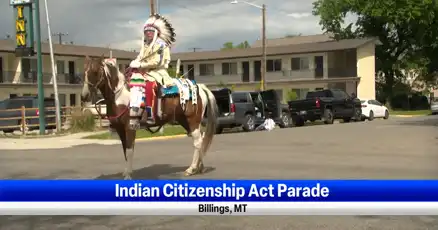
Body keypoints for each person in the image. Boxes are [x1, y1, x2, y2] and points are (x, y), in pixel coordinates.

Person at [129, 14, 176, 87]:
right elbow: (140, 56)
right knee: (129, 79)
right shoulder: (146, 45)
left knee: (149, 85)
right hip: (144, 71)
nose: (148, 33)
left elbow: (157, 62)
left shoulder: (161, 45)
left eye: (151, 31)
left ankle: (153, 98)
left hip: (157, 72)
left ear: (156, 32)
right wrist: (135, 62)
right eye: (146, 31)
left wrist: (141, 65)